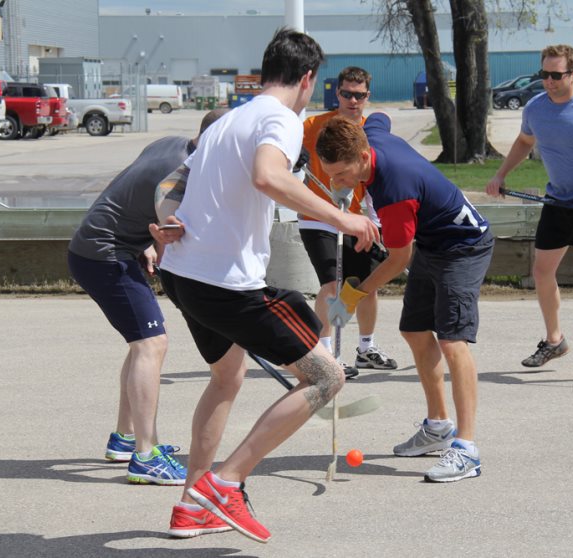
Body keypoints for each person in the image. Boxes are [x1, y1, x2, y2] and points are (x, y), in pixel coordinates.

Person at [150, 29, 379, 543]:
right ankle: (226, 483)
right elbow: (268, 177)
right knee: (325, 377)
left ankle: (192, 506)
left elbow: (170, 185)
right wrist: (343, 221)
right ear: (307, 79)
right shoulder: (281, 118)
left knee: (227, 377)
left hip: (183, 273)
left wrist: (169, 221)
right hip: (226, 283)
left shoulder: (228, 120)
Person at [316, 113, 495, 483]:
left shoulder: (394, 190)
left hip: (464, 246)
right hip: (434, 242)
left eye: (342, 174)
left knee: (452, 339)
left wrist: (351, 296)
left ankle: (466, 449)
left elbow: (398, 259)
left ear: (364, 158)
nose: (337, 182)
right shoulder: (369, 137)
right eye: (331, 174)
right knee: (414, 330)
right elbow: (379, 118)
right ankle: (438, 426)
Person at [66, 109, 229, 485]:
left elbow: (137, 195)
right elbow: (174, 233)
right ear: (213, 141)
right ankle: (145, 455)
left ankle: (124, 439)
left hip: (102, 246)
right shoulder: (184, 177)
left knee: (141, 343)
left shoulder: (171, 144)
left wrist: (146, 242)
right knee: (152, 344)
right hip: (104, 254)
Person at [485, 44, 573, 370]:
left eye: (556, 75)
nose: (548, 81)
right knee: (541, 270)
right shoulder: (535, 109)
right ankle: (555, 340)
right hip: (559, 197)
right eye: (544, 74)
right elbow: (524, 142)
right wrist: (500, 175)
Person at [299, 66, 397, 377]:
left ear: (368, 96)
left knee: (366, 287)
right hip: (320, 218)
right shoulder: (314, 125)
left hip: (359, 221)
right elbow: (284, 148)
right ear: (337, 93)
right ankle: (325, 352)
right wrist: (293, 154)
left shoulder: (372, 132)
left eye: (359, 95)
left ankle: (366, 348)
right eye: (346, 94)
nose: (352, 100)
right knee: (331, 285)